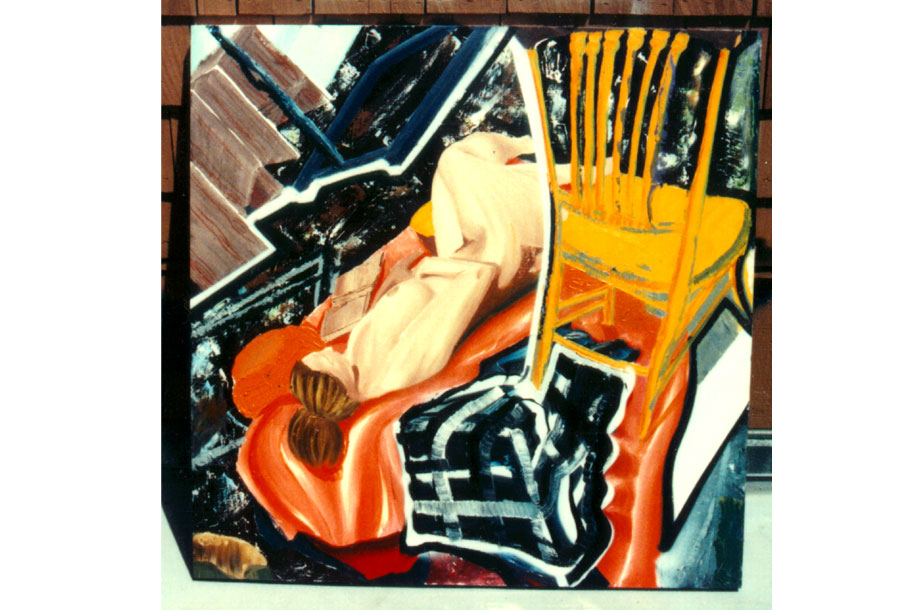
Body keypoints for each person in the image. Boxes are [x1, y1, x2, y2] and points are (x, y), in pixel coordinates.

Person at [287, 131, 545, 467]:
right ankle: (544, 156)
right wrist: (446, 262)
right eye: (321, 360)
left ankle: (535, 153)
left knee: (453, 175)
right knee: (458, 163)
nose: (323, 351)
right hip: (490, 264)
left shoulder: (358, 365)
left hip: (453, 264)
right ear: (334, 386)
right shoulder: (396, 371)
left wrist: (397, 281)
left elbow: (394, 314)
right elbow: (469, 294)